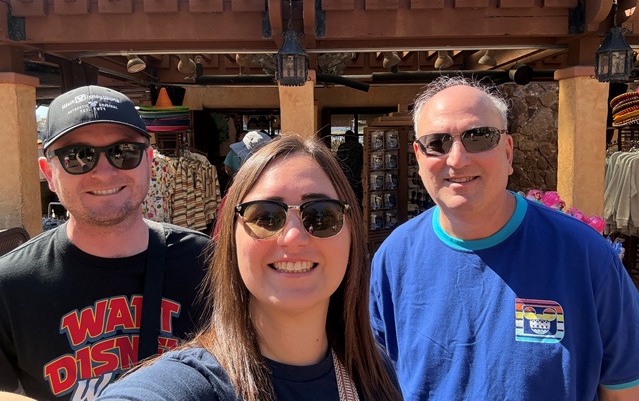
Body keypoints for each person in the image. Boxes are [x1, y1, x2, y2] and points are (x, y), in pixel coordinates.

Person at [369, 76, 639, 400]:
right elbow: (378, 383)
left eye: (478, 137)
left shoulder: (584, 255)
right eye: (437, 142)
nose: (457, 159)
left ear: (508, 152)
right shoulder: (395, 258)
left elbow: (625, 389)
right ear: (418, 157)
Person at [97, 133, 402, 401]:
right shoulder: (192, 385)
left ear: (352, 235)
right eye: (266, 216)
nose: (293, 237)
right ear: (232, 240)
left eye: (321, 215)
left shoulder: (374, 372)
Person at [0, 86, 211, 400]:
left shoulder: (206, 263)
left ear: (149, 161)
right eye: (78, 156)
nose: (104, 172)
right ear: (49, 172)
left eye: (123, 151)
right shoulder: (10, 286)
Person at [336, 130, 364, 208]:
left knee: (347, 196)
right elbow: (363, 161)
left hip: (346, 176)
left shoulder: (342, 147)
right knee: (358, 197)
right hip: (357, 176)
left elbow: (338, 161)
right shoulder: (359, 146)